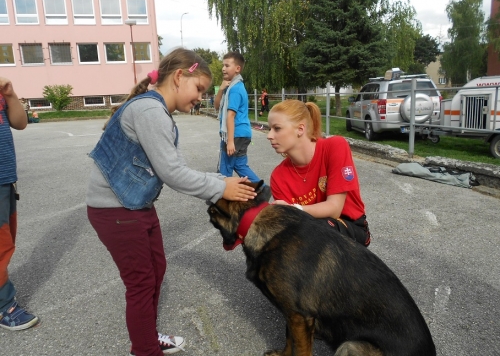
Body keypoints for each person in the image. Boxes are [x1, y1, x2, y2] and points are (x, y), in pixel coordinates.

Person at [86, 48, 256, 356]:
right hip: (115, 210)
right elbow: (173, 174)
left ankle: (147, 337)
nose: (201, 98)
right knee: (140, 284)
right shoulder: (150, 112)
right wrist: (221, 189)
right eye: (199, 89)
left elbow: (179, 168)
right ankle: (145, 349)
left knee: (157, 269)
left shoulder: (160, 114)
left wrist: (223, 181)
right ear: (179, 77)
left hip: (135, 206)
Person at [267, 99, 371, 247]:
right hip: (310, 230)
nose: (269, 135)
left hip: (350, 226)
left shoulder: (335, 146)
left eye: (276, 128)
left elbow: (334, 209)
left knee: (316, 230)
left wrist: (294, 210)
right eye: (270, 129)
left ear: (300, 129)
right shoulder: (278, 176)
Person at [0, 77, 39, 331]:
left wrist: (10, 94)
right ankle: (4, 307)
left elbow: (20, 123)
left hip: (4, 177)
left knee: (6, 241)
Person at [214, 52, 260, 182]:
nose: (223, 68)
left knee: (225, 167)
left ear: (237, 68)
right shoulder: (230, 87)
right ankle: (261, 189)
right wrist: (221, 89)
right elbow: (217, 107)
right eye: (223, 65)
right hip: (241, 133)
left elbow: (231, 116)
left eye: (227, 65)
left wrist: (230, 141)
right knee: (240, 165)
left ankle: (221, 197)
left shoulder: (235, 89)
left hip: (235, 134)